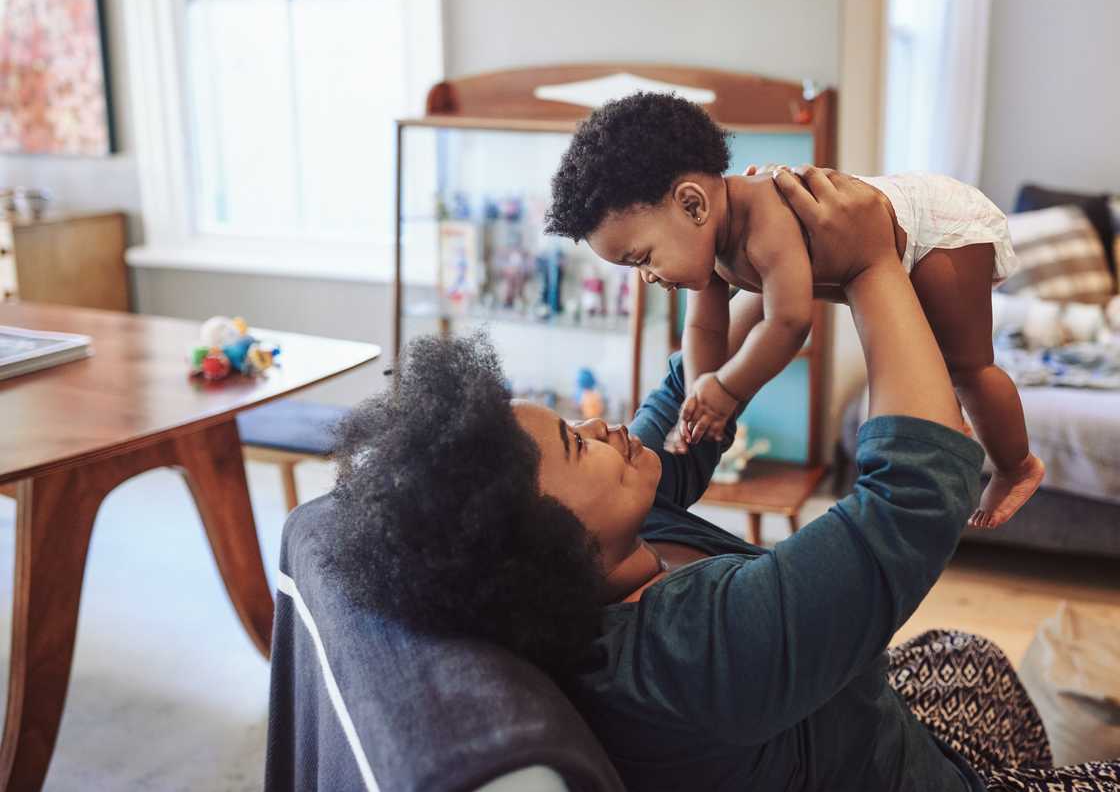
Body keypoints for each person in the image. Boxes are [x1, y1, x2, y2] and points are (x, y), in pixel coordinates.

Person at [328, 168, 1119, 791]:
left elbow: (683, 407)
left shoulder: (615, 546)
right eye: (576, 444)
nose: (604, 426)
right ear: (545, 544)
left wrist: (756, 271)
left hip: (864, 721)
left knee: (972, 653)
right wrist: (874, 262)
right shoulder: (690, 651)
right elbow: (912, 496)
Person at [544, 92, 1044, 529]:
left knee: (967, 367)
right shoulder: (710, 244)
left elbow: (788, 321)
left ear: (693, 206)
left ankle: (1016, 466)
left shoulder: (768, 216)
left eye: (643, 258)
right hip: (889, 244)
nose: (648, 277)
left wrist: (728, 388)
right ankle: (949, 425)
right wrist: (700, 391)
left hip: (937, 228)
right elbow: (703, 327)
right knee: (928, 351)